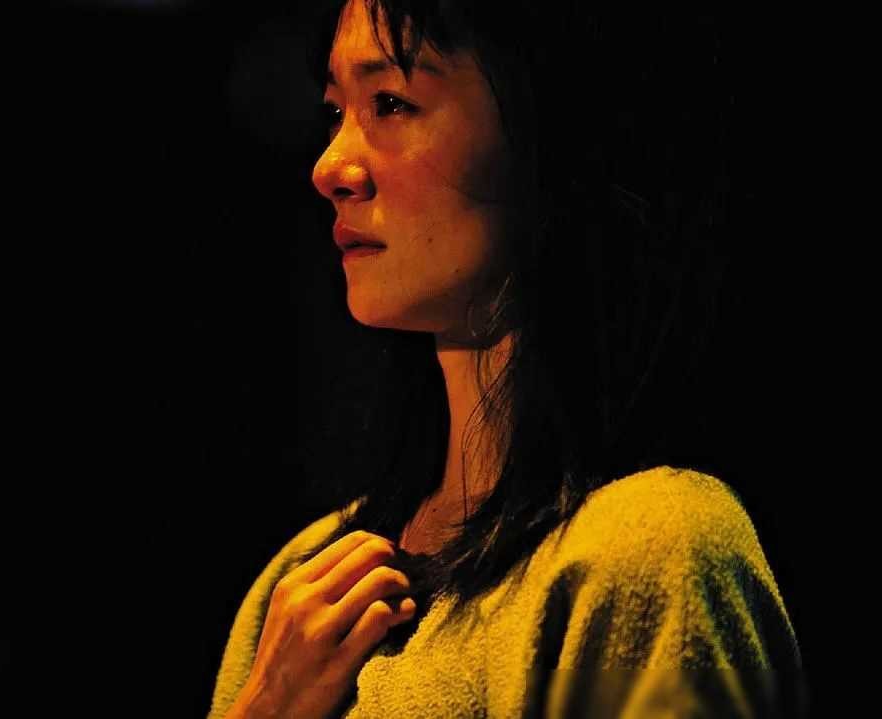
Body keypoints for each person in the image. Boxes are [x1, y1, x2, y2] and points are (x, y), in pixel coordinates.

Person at [209, 1, 808, 717]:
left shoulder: (649, 546)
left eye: (391, 103)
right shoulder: (301, 580)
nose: (329, 166)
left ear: (549, 132)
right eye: (335, 112)